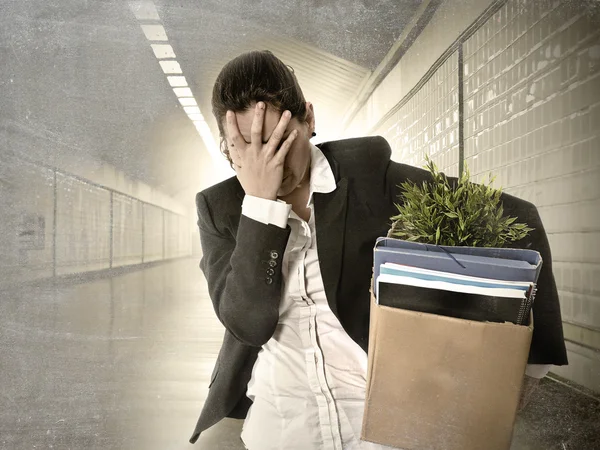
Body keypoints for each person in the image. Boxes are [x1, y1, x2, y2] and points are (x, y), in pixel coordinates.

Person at [189, 50, 568, 449]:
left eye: (278, 141)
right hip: (284, 426)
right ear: (227, 146)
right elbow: (247, 324)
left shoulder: (373, 179)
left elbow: (518, 221)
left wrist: (530, 367)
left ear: (309, 119)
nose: (267, 162)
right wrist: (261, 208)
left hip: (382, 425)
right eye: (245, 147)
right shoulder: (221, 209)